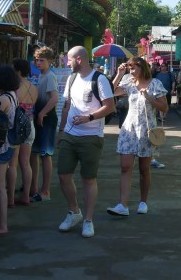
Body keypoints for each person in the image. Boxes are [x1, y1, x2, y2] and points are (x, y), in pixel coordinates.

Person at [56, 45, 115, 238]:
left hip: (91, 136)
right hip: (70, 135)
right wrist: (61, 130)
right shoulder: (72, 78)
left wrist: (89, 118)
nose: (67, 63)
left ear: (79, 59)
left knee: (88, 178)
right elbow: (67, 106)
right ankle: (74, 212)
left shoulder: (100, 79)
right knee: (63, 174)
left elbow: (109, 107)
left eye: (69, 60)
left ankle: (88, 220)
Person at [106, 57, 167, 217]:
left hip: (147, 130)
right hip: (129, 129)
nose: (131, 71)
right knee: (125, 167)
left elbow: (164, 107)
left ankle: (143, 202)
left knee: (144, 169)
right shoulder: (128, 82)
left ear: (142, 68)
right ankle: (122, 205)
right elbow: (110, 93)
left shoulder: (155, 84)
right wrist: (119, 74)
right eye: (130, 68)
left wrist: (148, 97)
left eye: (134, 68)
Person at [0, 64, 20, 236]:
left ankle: (2, 224)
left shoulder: (3, 100)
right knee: (1, 185)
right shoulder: (13, 96)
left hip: (1, 145)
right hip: (9, 144)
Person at [30, 46, 59, 202]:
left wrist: (42, 113)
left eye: (42, 60)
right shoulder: (40, 75)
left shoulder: (49, 76)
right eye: (37, 60)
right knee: (34, 153)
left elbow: (55, 99)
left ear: (49, 61)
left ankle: (45, 190)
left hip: (47, 118)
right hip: (38, 117)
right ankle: (33, 187)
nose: (38, 62)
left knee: (45, 155)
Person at [8, 58, 38, 207]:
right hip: (29, 125)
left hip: (16, 127)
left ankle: (10, 199)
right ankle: (26, 195)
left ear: (18, 71)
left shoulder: (14, 88)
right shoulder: (34, 87)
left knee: (12, 164)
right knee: (26, 163)